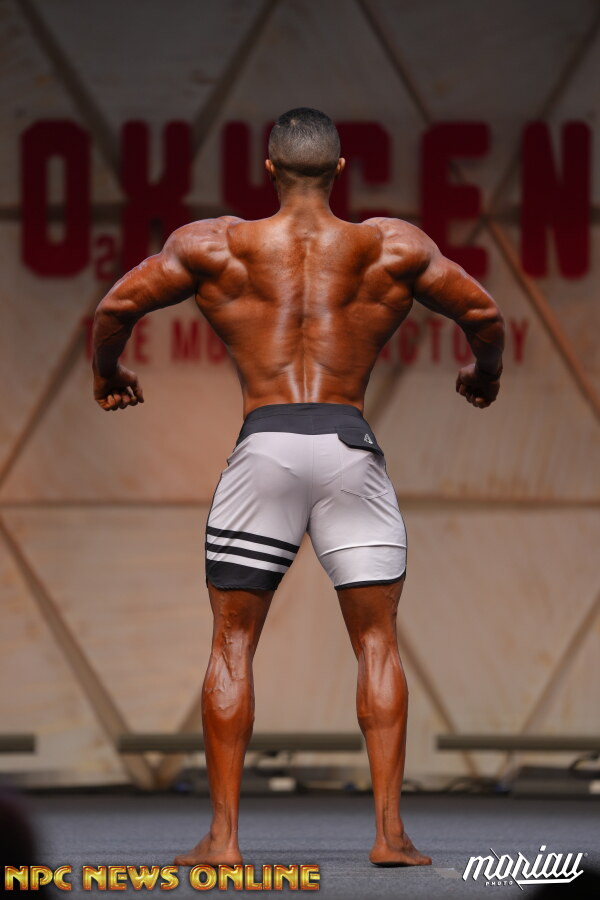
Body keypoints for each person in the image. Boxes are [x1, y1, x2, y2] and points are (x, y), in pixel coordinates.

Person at [92, 108, 505, 867]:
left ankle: (224, 840)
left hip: (265, 450)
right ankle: (389, 836)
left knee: (232, 642)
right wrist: (484, 375)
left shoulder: (215, 245)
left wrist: (108, 373)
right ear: (341, 170)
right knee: (377, 641)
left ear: (270, 169)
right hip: (351, 450)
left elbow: (116, 307)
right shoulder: (392, 247)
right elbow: (483, 312)